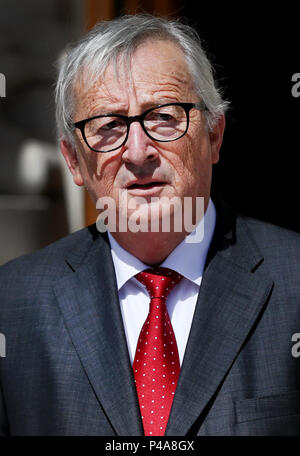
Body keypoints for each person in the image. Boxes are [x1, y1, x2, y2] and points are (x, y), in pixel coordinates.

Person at [0, 14, 300, 437]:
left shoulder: (294, 281)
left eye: (163, 116)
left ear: (214, 136)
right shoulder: (12, 304)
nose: (138, 152)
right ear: (73, 161)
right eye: (108, 126)